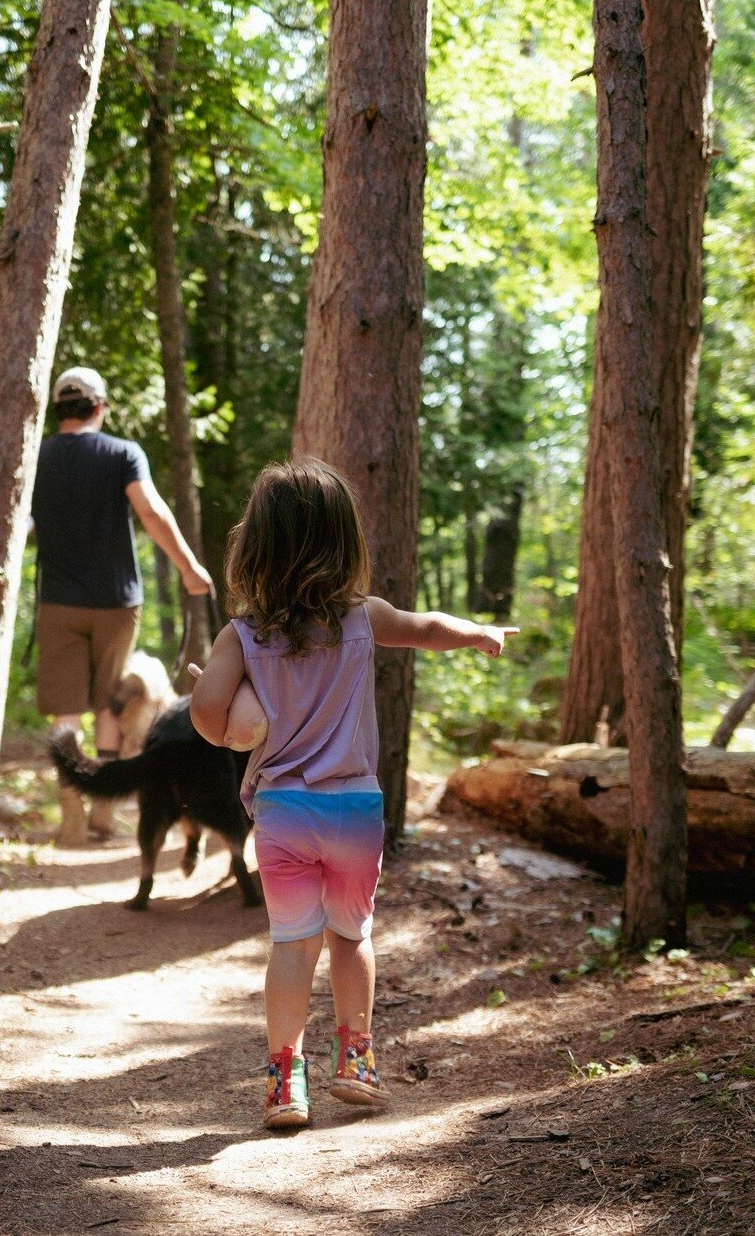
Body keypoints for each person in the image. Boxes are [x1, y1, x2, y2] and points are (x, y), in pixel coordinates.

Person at [189, 458, 517, 1129]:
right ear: (344, 543)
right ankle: (357, 1061)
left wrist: (221, 708)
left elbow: (206, 715)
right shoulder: (361, 619)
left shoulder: (242, 635)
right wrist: (477, 632)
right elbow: (425, 626)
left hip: (282, 810)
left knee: (291, 942)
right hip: (355, 809)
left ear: (255, 545)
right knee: (350, 936)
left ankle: (285, 1081)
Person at [32, 366, 212, 844]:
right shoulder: (122, 453)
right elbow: (150, 510)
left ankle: (69, 820)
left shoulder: (37, 455)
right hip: (115, 601)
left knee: (66, 712)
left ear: (58, 410)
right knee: (108, 702)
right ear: (99, 407)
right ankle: (102, 818)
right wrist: (189, 568)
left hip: (57, 601)